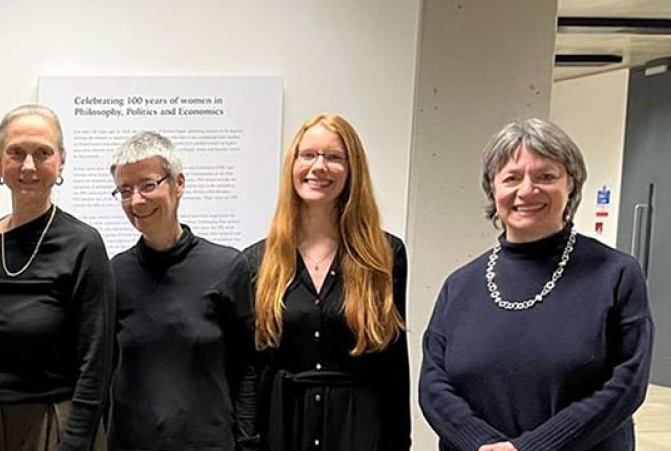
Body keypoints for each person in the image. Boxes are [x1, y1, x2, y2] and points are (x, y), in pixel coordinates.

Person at [420, 118, 652, 451]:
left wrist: (533, 448)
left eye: (546, 176)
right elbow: (433, 384)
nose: (527, 190)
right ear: (493, 188)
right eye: (512, 178)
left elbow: (627, 383)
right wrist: (482, 444)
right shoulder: (460, 285)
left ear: (570, 184)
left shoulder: (616, 274)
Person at [0, 104, 113, 451]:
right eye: (16, 153)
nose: (28, 165)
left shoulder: (83, 245)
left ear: (61, 162)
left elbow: (95, 362)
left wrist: (76, 443)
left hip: (49, 424)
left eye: (42, 153)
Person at [241, 113, 409, 450]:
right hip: (283, 428)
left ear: (352, 170)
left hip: (358, 428)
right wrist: (246, 441)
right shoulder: (258, 260)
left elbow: (393, 363)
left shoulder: (384, 253)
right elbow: (251, 367)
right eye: (309, 155)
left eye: (334, 157)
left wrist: (398, 442)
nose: (319, 167)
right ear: (293, 165)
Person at [105, 131, 257, 450]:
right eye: (125, 190)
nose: (136, 201)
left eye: (148, 185)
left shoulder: (228, 267)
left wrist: (246, 441)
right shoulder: (114, 274)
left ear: (179, 184)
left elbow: (248, 370)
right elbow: (103, 370)